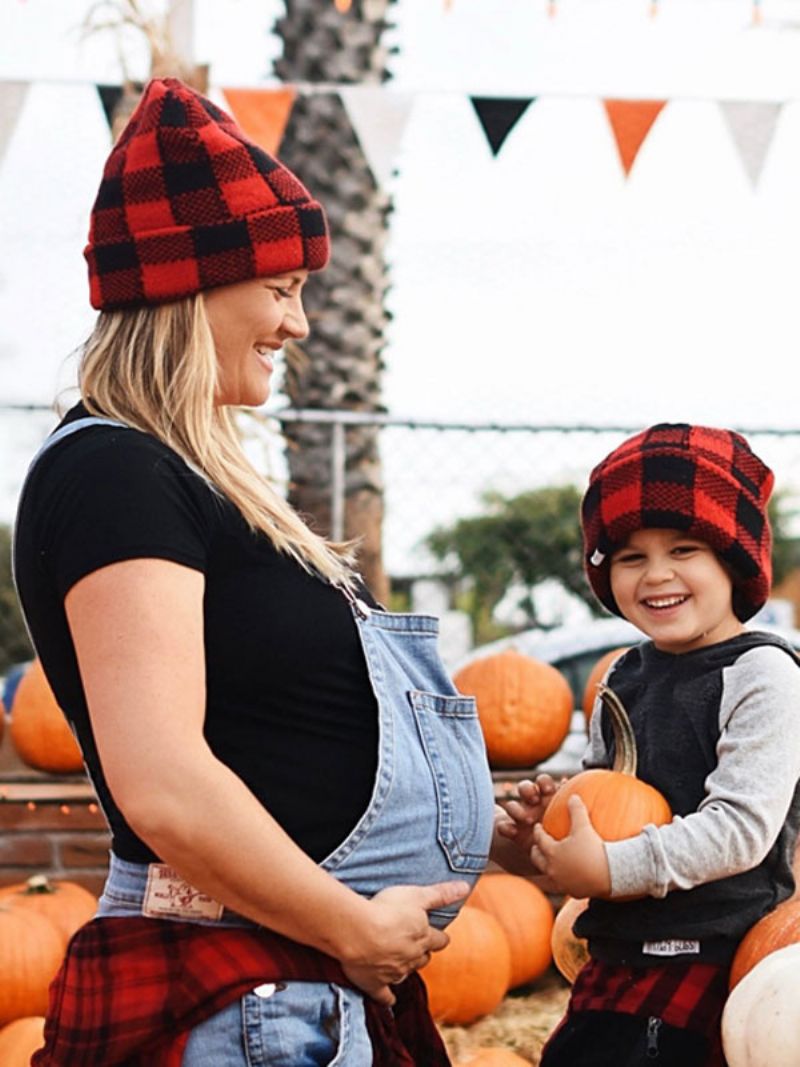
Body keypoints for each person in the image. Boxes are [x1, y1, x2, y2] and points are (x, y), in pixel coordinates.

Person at [12, 77, 498, 1066]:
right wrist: (349, 924)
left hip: (285, 983)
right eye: (280, 289)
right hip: (247, 995)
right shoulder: (114, 471)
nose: (300, 325)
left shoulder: (183, 476)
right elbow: (164, 780)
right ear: (187, 286)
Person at [503, 423, 800, 1067]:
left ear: (735, 559)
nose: (655, 574)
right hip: (617, 956)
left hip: (715, 954)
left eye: (684, 548)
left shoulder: (764, 674)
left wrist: (610, 869)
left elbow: (740, 828)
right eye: (630, 557)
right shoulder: (621, 676)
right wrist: (538, 838)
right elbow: (599, 801)